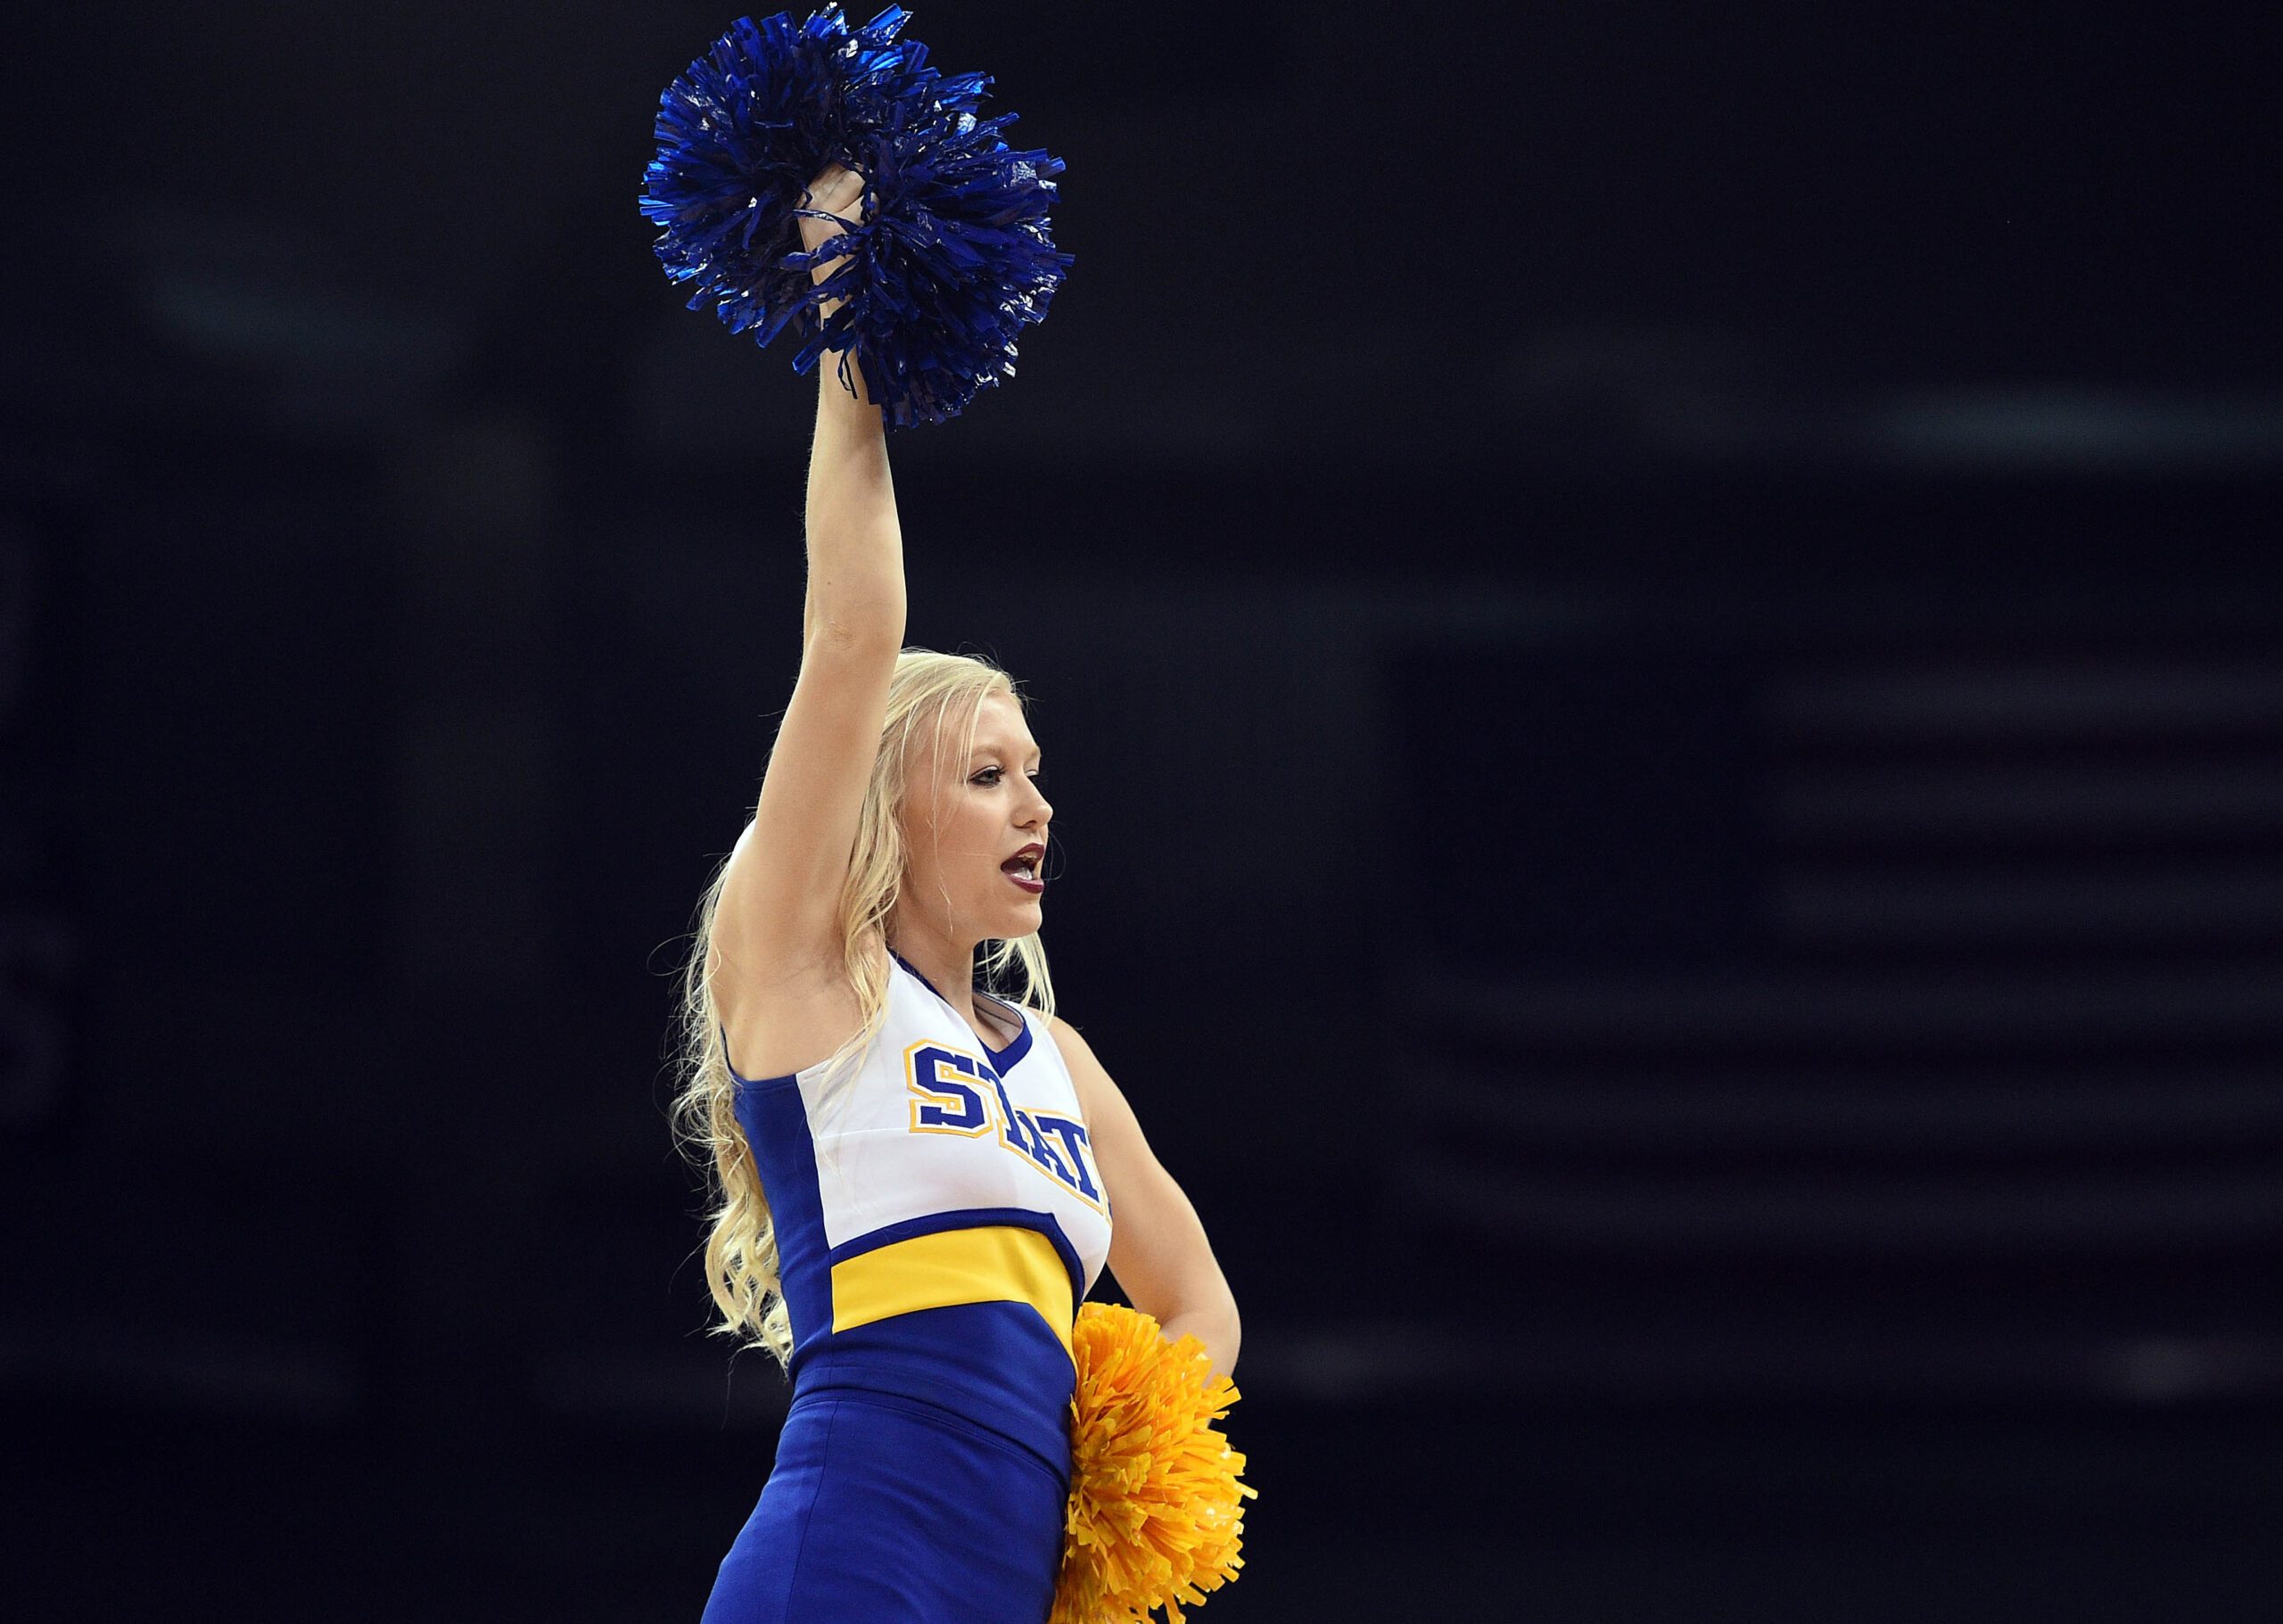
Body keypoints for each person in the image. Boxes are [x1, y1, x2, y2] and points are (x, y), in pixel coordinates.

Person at [672, 161, 1241, 1624]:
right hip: (842, 1571)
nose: (1036, 804)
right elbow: (856, 631)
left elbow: (1199, 1306)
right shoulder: (805, 977)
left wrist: (1114, 1463)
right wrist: (850, 329)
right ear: (884, 802)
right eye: (987, 774)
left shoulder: (1060, 1066)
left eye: (1036, 771)